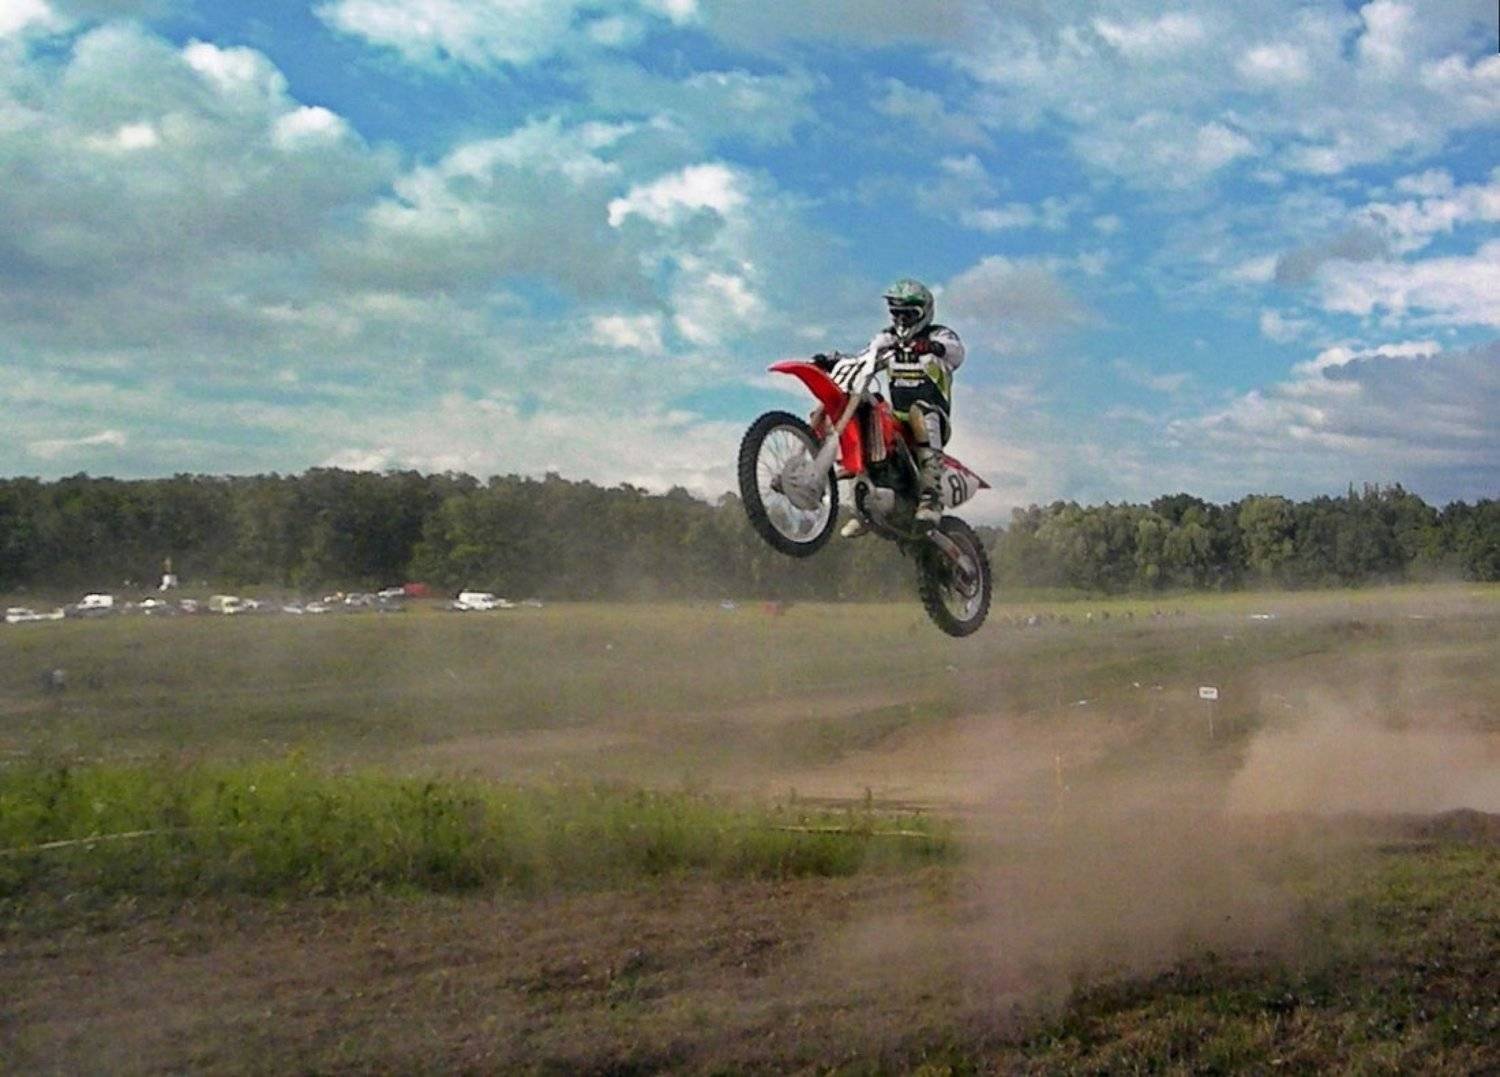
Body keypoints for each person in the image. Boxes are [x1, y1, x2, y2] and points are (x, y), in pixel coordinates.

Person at [812, 278, 965, 536]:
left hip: (933, 418)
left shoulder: (938, 334)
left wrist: (934, 347)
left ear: (923, 312)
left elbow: (956, 352)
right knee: (864, 412)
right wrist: (834, 361)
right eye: (897, 313)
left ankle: (932, 495)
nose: (902, 320)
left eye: (908, 314)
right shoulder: (888, 338)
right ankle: (860, 503)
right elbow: (865, 357)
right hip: (897, 419)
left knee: (920, 411)